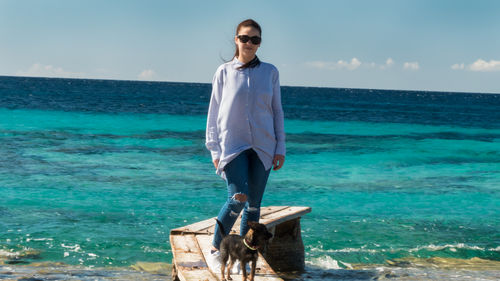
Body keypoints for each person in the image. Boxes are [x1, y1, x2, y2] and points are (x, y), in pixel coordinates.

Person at [205, 19, 286, 271]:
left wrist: (280, 147)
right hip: (232, 146)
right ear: (236, 39)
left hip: (264, 146)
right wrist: (214, 149)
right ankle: (216, 249)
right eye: (244, 38)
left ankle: (244, 257)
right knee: (237, 198)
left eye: (255, 40)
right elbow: (214, 112)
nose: (249, 43)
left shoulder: (270, 72)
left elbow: (277, 111)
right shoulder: (223, 72)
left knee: (253, 206)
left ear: (259, 43)